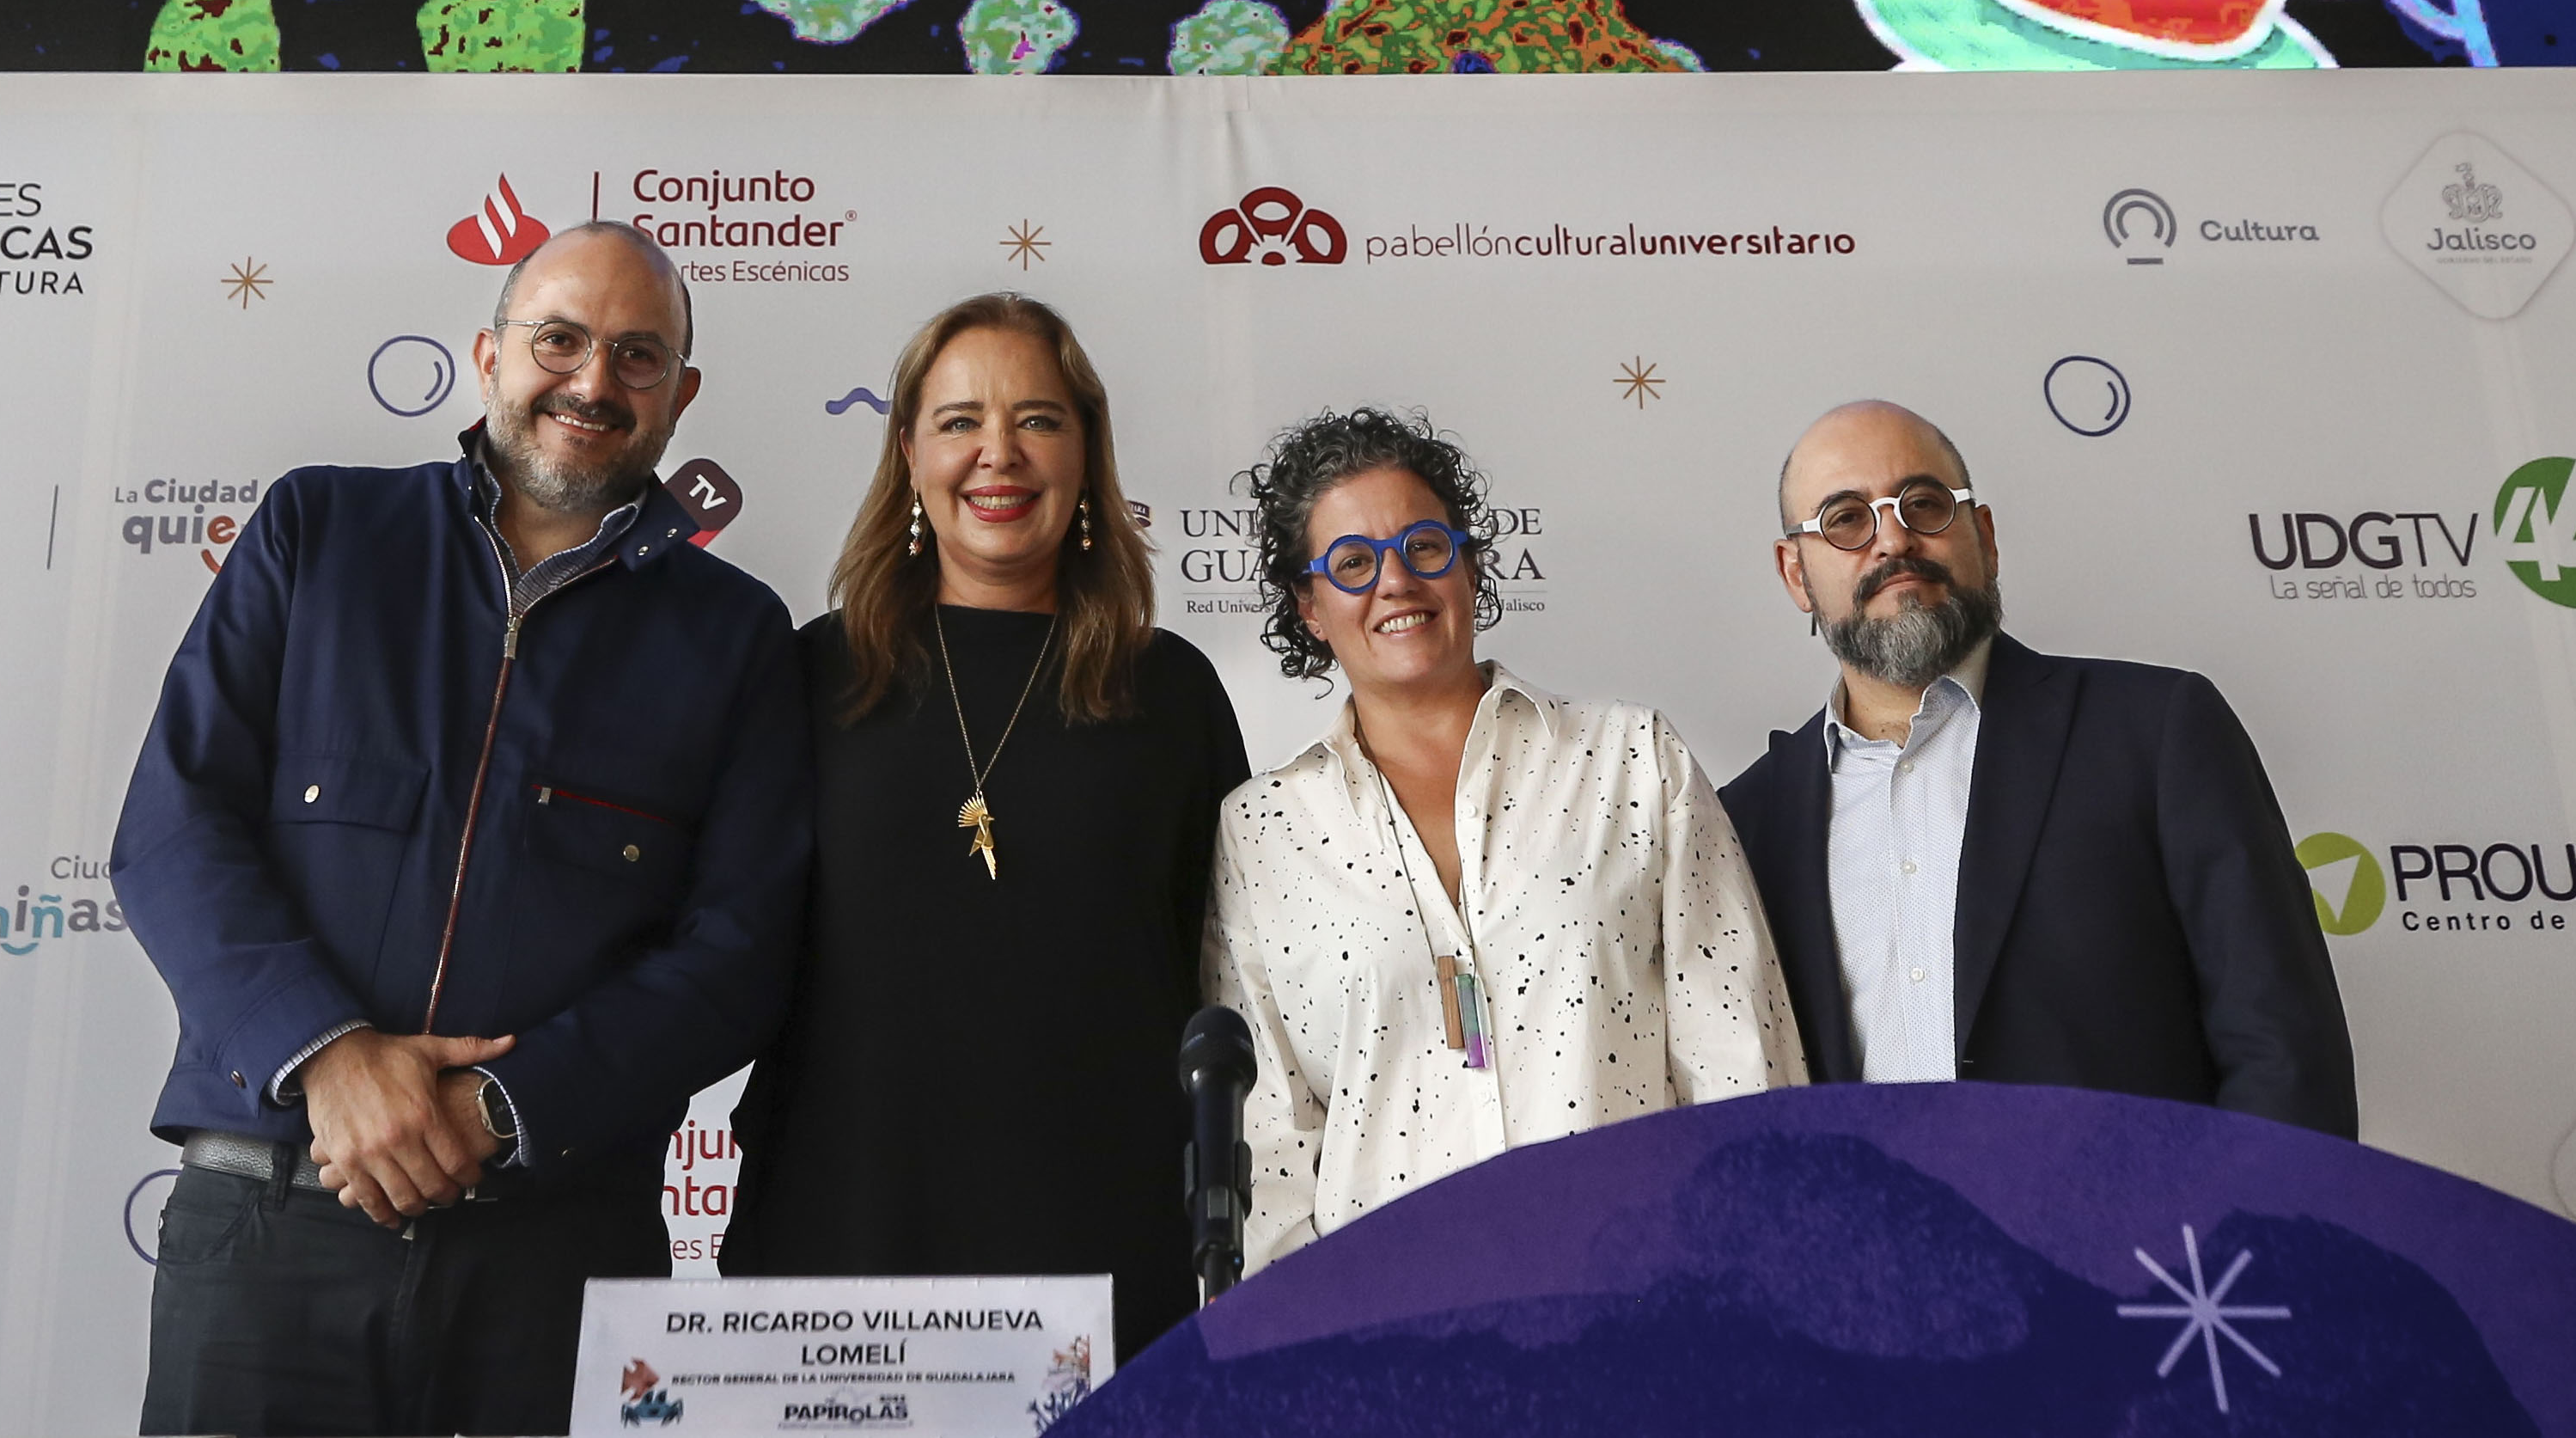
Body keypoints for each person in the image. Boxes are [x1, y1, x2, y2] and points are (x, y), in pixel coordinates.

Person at [114, 219, 809, 1438]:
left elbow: (738, 952)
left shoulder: (735, 633)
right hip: (271, 1227)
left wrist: (496, 1104)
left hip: (557, 1253)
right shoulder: (316, 530)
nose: (593, 380)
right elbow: (175, 827)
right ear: (489, 356)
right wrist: (333, 1056)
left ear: (680, 393)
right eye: (559, 339)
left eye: (638, 354)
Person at [724, 293, 1248, 1352]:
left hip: (1107, 1245)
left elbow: (1226, 983)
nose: (997, 452)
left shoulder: (1172, 692)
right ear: (909, 453)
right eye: (959, 419)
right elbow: (730, 948)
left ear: (1086, 452)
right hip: (844, 1230)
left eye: (1037, 419)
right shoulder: (808, 674)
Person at [1203, 407, 1799, 1275]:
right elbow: (1270, 1149)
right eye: (1353, 562)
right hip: (1394, 1324)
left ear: (1471, 567)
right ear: (1310, 606)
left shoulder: (1632, 759)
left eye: (1423, 546)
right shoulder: (1262, 830)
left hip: (1640, 1305)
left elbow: (1740, 1064)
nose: (1395, 581)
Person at [1718, 401, 2353, 1132]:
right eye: (1845, 519)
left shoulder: (2154, 731)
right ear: (1795, 573)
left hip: (2142, 1210)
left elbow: (2283, 1053)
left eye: (1923, 504)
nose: (1892, 538)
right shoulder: (1747, 824)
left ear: (1983, 537)